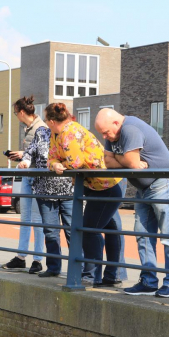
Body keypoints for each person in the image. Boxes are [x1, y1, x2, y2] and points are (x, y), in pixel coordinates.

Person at [95, 108, 169, 298]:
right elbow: (109, 162)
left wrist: (125, 160)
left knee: (168, 235)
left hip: (163, 181)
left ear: (116, 124)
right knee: (142, 235)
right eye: (102, 133)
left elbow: (132, 163)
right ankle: (148, 282)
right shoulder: (113, 134)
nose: (104, 137)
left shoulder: (130, 129)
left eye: (106, 132)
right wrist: (125, 159)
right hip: (143, 188)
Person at [46, 103, 124, 284]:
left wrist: (60, 164)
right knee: (107, 228)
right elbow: (51, 157)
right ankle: (110, 276)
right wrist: (54, 164)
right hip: (93, 186)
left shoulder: (71, 131)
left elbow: (76, 163)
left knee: (89, 229)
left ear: (51, 121)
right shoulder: (55, 133)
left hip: (106, 185)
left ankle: (92, 274)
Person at [11, 96, 75, 279]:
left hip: (67, 189)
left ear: (52, 120)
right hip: (45, 190)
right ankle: (54, 267)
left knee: (71, 230)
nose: (44, 122)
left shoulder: (70, 135)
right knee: (50, 231)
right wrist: (25, 161)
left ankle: (80, 268)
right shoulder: (41, 133)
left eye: (46, 119)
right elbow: (31, 151)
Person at [2, 98, 45, 274]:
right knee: (25, 217)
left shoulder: (41, 128)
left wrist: (24, 154)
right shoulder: (28, 128)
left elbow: (45, 154)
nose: (16, 117)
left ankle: (37, 260)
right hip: (27, 176)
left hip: (37, 178)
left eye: (15, 113)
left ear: (21, 112)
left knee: (37, 219)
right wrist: (21, 157)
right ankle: (21, 257)